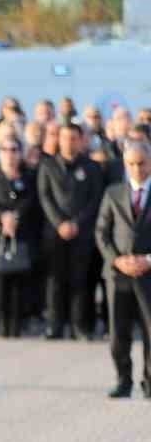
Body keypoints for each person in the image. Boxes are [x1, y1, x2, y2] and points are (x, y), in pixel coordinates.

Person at [94, 139, 151, 398]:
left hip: (148, 274)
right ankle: (123, 380)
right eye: (131, 164)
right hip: (118, 275)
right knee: (119, 333)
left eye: (142, 163)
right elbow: (101, 232)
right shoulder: (113, 192)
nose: (137, 169)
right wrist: (117, 260)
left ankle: (149, 382)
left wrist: (147, 261)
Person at [39, 121, 106, 339]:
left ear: (81, 140)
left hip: (82, 234)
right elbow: (45, 197)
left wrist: (77, 223)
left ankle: (79, 326)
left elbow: (95, 200)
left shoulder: (92, 167)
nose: (69, 142)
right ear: (58, 139)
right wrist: (60, 223)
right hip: (55, 234)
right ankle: (54, 325)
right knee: (55, 281)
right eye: (65, 137)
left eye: (74, 138)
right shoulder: (47, 166)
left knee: (81, 281)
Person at [0, 135, 40, 339]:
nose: (10, 154)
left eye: (14, 150)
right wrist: (2, 217)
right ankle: (3, 323)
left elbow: (30, 199)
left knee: (19, 284)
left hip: (21, 235)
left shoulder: (29, 176)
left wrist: (15, 217)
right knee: (0, 284)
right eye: (6, 150)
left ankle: (17, 324)